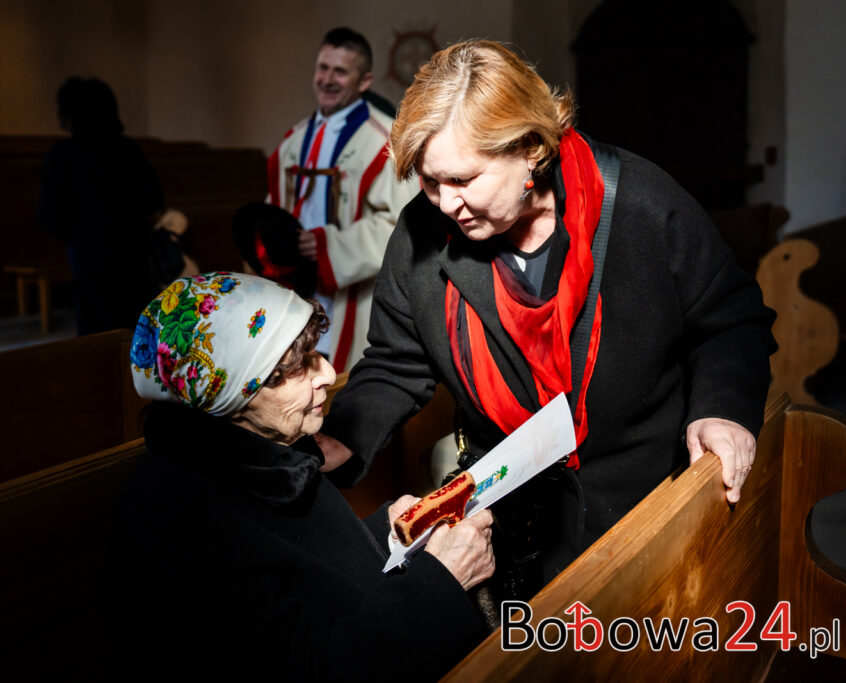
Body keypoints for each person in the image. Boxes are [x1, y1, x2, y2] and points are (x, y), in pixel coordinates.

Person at [319, 41, 777, 602]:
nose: (444, 204)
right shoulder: (421, 234)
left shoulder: (643, 206)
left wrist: (723, 409)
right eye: (430, 182)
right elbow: (396, 361)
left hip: (643, 507)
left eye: (462, 180)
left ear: (531, 148)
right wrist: (342, 438)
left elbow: (730, 319)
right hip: (512, 522)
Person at [104, 273, 494, 681]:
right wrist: (440, 583)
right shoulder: (179, 523)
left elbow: (306, 572)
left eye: (313, 354)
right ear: (232, 396)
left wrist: (389, 533)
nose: (327, 373)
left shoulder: (255, 450)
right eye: (294, 369)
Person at [266, 27, 418, 372]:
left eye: (340, 71)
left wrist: (328, 246)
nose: (328, 79)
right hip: (298, 287)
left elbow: (405, 228)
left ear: (364, 81)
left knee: (342, 382)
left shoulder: (386, 142)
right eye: (323, 68)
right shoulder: (294, 140)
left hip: (354, 293)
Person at [39, 76, 164, 335]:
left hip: (88, 254)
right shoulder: (129, 150)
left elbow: (51, 217)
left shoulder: (61, 155)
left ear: (69, 116)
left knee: (96, 327)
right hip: (132, 249)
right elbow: (154, 200)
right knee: (134, 323)